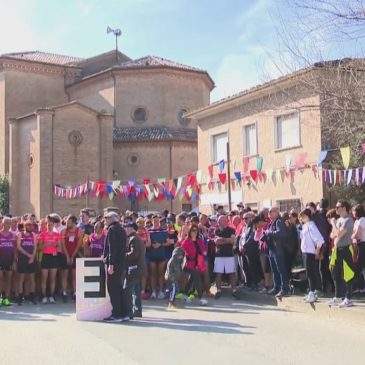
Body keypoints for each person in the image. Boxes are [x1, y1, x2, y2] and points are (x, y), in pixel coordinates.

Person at [328, 200, 355, 307]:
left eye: (338, 206)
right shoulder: (339, 220)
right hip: (337, 250)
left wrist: (334, 224)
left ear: (344, 208)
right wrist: (335, 228)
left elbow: (339, 234)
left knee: (347, 274)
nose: (336, 209)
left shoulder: (348, 220)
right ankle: (338, 296)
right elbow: (332, 235)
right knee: (335, 273)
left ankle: (348, 298)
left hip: (345, 250)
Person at [103, 211, 127, 322]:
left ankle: (116, 314)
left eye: (106, 218)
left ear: (112, 218)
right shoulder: (122, 229)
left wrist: (111, 264)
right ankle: (123, 312)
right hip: (121, 262)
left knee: (113, 288)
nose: (105, 220)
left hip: (115, 263)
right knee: (119, 287)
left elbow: (113, 248)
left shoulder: (112, 229)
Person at [299, 209, 324, 303]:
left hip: (310, 253)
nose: (301, 218)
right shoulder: (305, 226)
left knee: (311, 274)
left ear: (306, 216)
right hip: (306, 252)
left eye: (302, 216)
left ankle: (312, 293)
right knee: (309, 273)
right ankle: (311, 292)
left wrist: (317, 250)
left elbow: (319, 239)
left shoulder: (311, 225)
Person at [124, 222, 146, 318]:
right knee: (136, 291)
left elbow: (134, 254)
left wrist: (123, 255)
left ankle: (128, 312)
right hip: (139, 269)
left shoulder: (133, 239)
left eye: (127, 227)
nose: (125, 229)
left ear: (132, 228)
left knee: (127, 290)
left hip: (133, 269)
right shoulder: (137, 239)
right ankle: (137, 310)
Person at [266, 207, 290, 298]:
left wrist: (269, 232)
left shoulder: (279, 221)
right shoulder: (273, 222)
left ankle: (284, 289)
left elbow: (281, 233)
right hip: (272, 249)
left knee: (281, 270)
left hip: (278, 249)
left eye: (270, 212)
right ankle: (276, 287)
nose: (269, 213)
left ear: (276, 212)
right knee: (275, 270)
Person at [214, 215, 239, 299]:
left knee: (231, 273)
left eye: (221, 220)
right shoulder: (216, 231)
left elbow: (233, 241)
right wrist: (227, 240)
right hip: (219, 255)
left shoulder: (231, 230)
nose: (218, 222)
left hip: (229, 255)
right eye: (218, 220)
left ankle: (234, 291)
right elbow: (217, 242)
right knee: (218, 273)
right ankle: (218, 291)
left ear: (225, 221)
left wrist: (223, 239)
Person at [181, 225, 208, 305]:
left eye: (196, 230)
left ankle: (185, 295)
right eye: (192, 230)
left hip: (198, 264)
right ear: (190, 232)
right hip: (188, 264)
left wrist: (203, 253)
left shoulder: (199, 241)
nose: (194, 232)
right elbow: (181, 250)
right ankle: (201, 298)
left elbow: (204, 251)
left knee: (192, 279)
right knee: (196, 277)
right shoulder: (186, 241)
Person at [39, 215, 61, 304]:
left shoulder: (57, 235)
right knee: (44, 278)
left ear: (53, 225)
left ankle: (51, 296)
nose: (49, 226)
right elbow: (39, 247)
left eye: (51, 225)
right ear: (46, 225)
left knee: (52, 278)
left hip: (54, 257)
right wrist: (46, 245)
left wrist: (55, 244)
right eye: (48, 225)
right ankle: (44, 296)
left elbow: (59, 247)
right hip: (45, 256)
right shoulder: (42, 234)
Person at [61, 215, 83, 302]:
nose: (67, 224)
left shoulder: (79, 231)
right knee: (64, 275)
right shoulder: (63, 231)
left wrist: (73, 256)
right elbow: (63, 245)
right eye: (66, 222)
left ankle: (75, 293)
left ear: (73, 222)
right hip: (65, 255)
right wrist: (67, 256)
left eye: (69, 222)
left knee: (74, 275)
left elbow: (78, 245)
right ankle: (64, 292)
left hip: (75, 254)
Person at [240, 212, 263, 290]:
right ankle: (248, 282)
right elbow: (241, 238)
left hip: (251, 250)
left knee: (252, 267)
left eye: (246, 218)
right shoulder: (244, 227)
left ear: (251, 218)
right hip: (244, 251)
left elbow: (252, 237)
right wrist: (240, 246)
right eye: (243, 218)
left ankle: (254, 283)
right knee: (245, 267)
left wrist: (244, 245)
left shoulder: (253, 226)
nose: (244, 220)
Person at [16, 221, 37, 305]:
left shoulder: (34, 235)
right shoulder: (20, 235)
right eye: (28, 225)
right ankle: (20, 297)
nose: (30, 227)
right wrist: (28, 255)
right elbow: (18, 247)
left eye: (31, 225)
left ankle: (32, 296)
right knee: (21, 278)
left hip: (31, 258)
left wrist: (32, 257)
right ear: (24, 226)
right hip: (22, 259)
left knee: (32, 278)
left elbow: (35, 246)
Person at [148, 215, 168, 299]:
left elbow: (168, 243)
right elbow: (146, 242)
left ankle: (160, 291)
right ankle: (153, 291)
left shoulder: (163, 231)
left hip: (161, 255)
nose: (156, 222)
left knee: (161, 274)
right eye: (154, 221)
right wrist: (151, 245)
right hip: (152, 255)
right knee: (152, 274)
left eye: (157, 221)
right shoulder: (148, 231)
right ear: (152, 221)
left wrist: (160, 244)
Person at [0, 217, 17, 306]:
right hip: (1, 260)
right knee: (0, 279)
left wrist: (14, 261)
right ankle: (0, 298)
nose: (7, 225)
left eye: (9, 223)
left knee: (8, 280)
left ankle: (6, 298)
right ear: (2, 223)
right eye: (6, 223)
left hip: (9, 260)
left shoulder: (13, 235)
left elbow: (14, 249)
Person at [136, 217, 151, 300]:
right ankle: (136, 290)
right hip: (135, 256)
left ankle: (143, 290)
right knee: (136, 273)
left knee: (144, 273)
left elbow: (149, 244)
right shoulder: (134, 232)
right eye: (138, 222)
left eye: (141, 222)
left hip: (144, 255)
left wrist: (140, 246)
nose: (140, 224)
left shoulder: (146, 232)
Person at [351, 204, 365, 292]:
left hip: (363, 244)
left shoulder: (362, 220)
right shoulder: (356, 221)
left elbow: (358, 234)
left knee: (359, 266)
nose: (352, 213)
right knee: (358, 266)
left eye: (354, 211)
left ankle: (361, 287)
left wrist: (351, 237)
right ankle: (360, 286)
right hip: (357, 245)